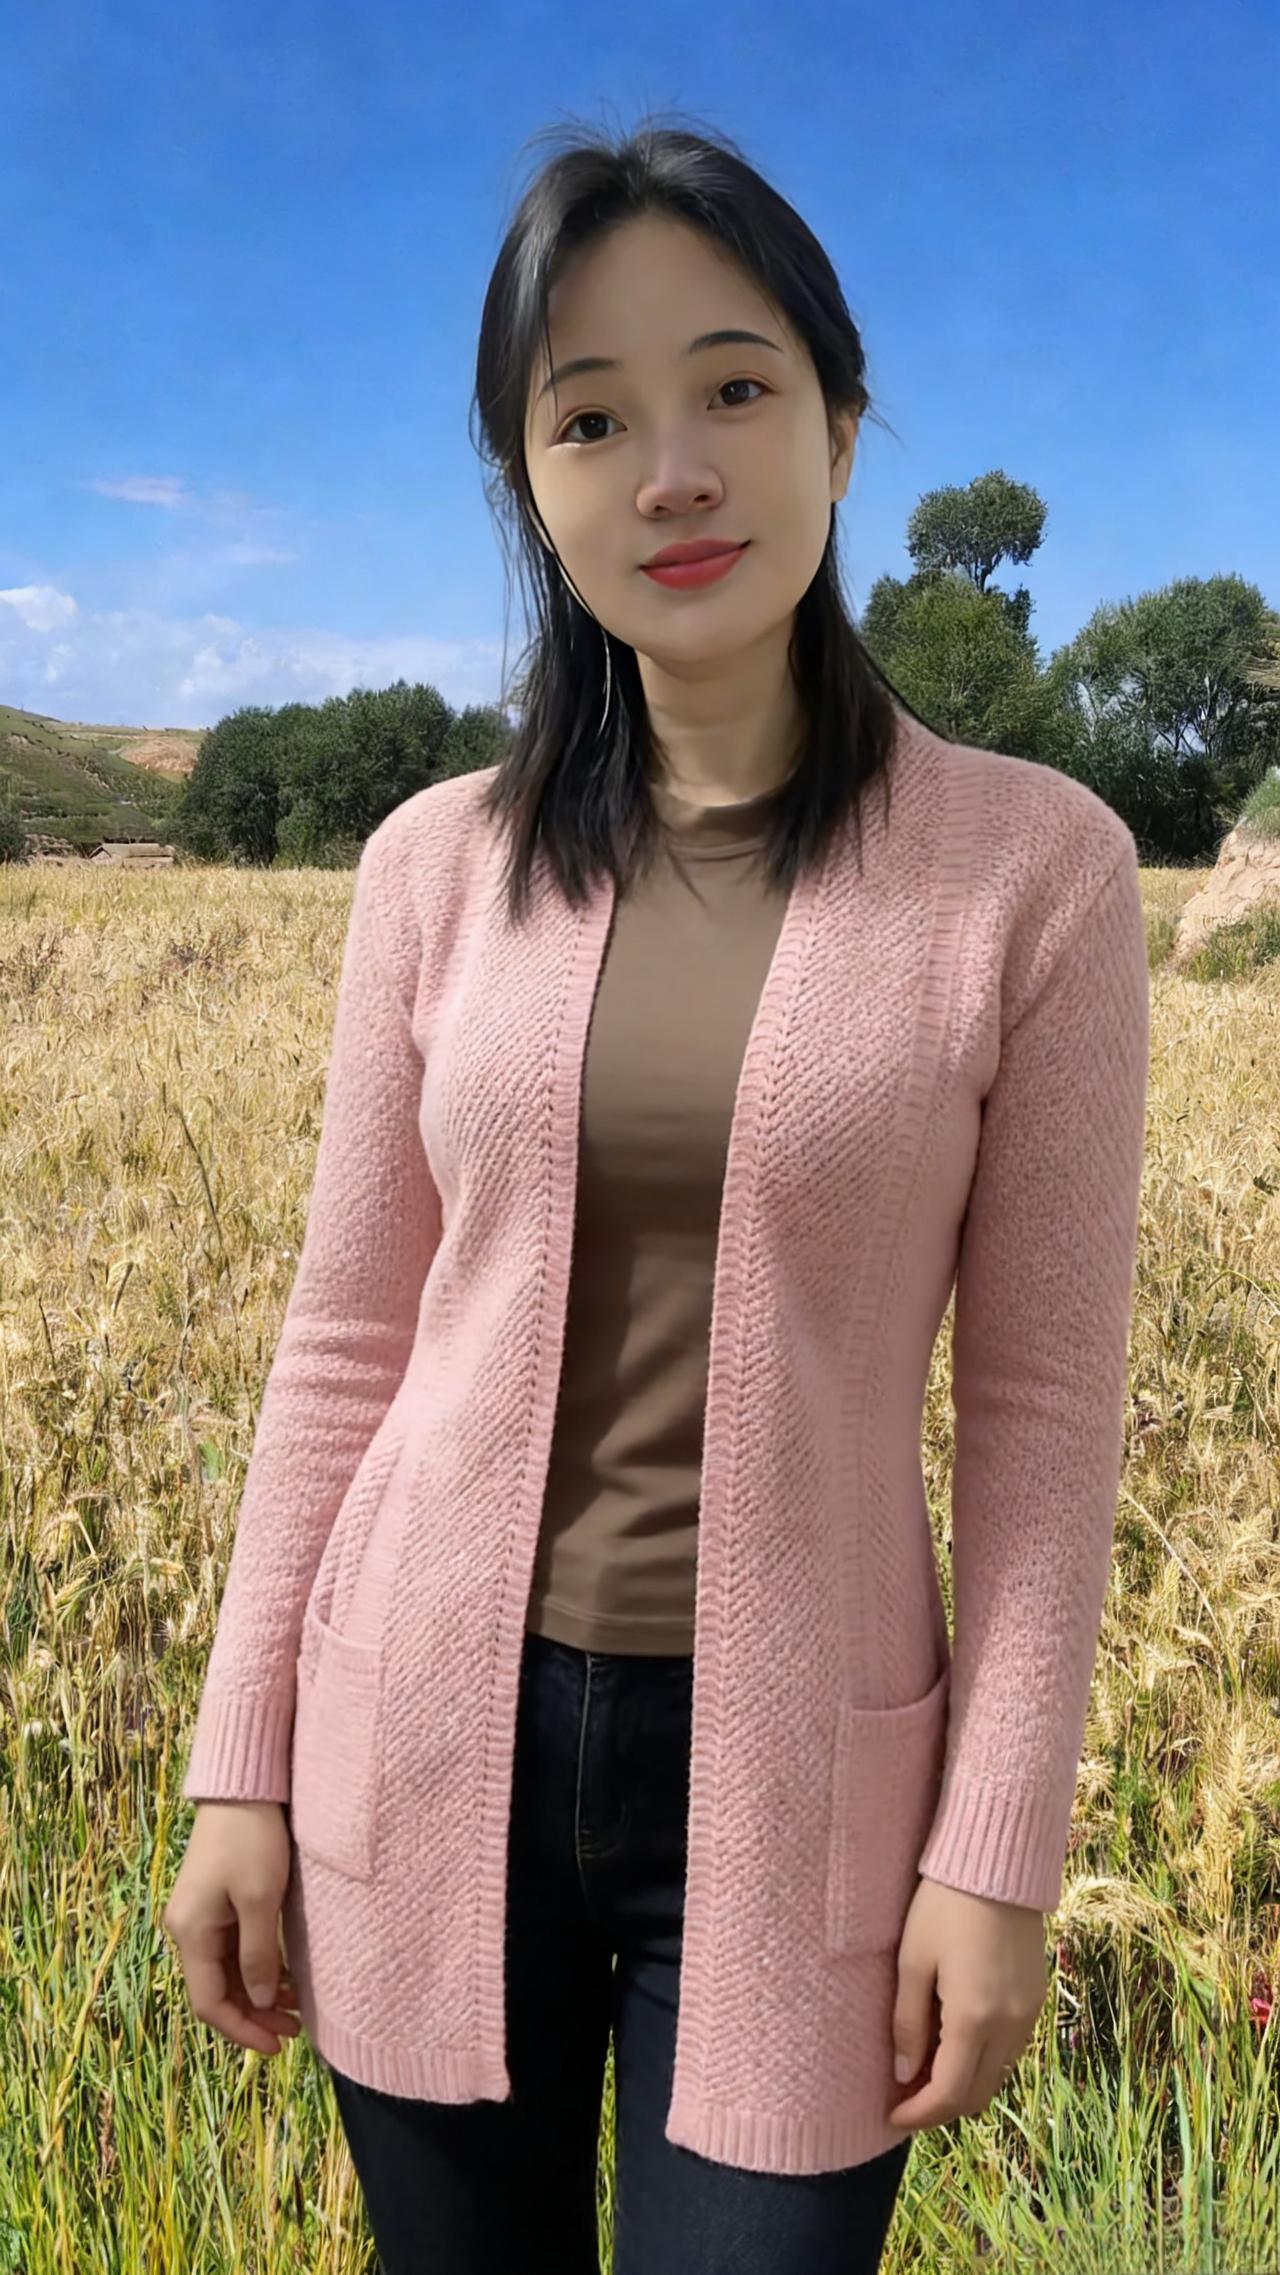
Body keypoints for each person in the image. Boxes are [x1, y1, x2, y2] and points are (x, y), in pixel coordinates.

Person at [163, 110, 1151, 2275]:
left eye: (734, 389)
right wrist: (243, 1757)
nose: (671, 474)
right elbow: (343, 1341)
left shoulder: (1035, 875)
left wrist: (996, 1853)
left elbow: (1046, 1412)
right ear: (531, 484)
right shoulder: (434, 867)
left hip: (797, 1780)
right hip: (427, 1736)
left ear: (842, 424)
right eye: (591, 418)